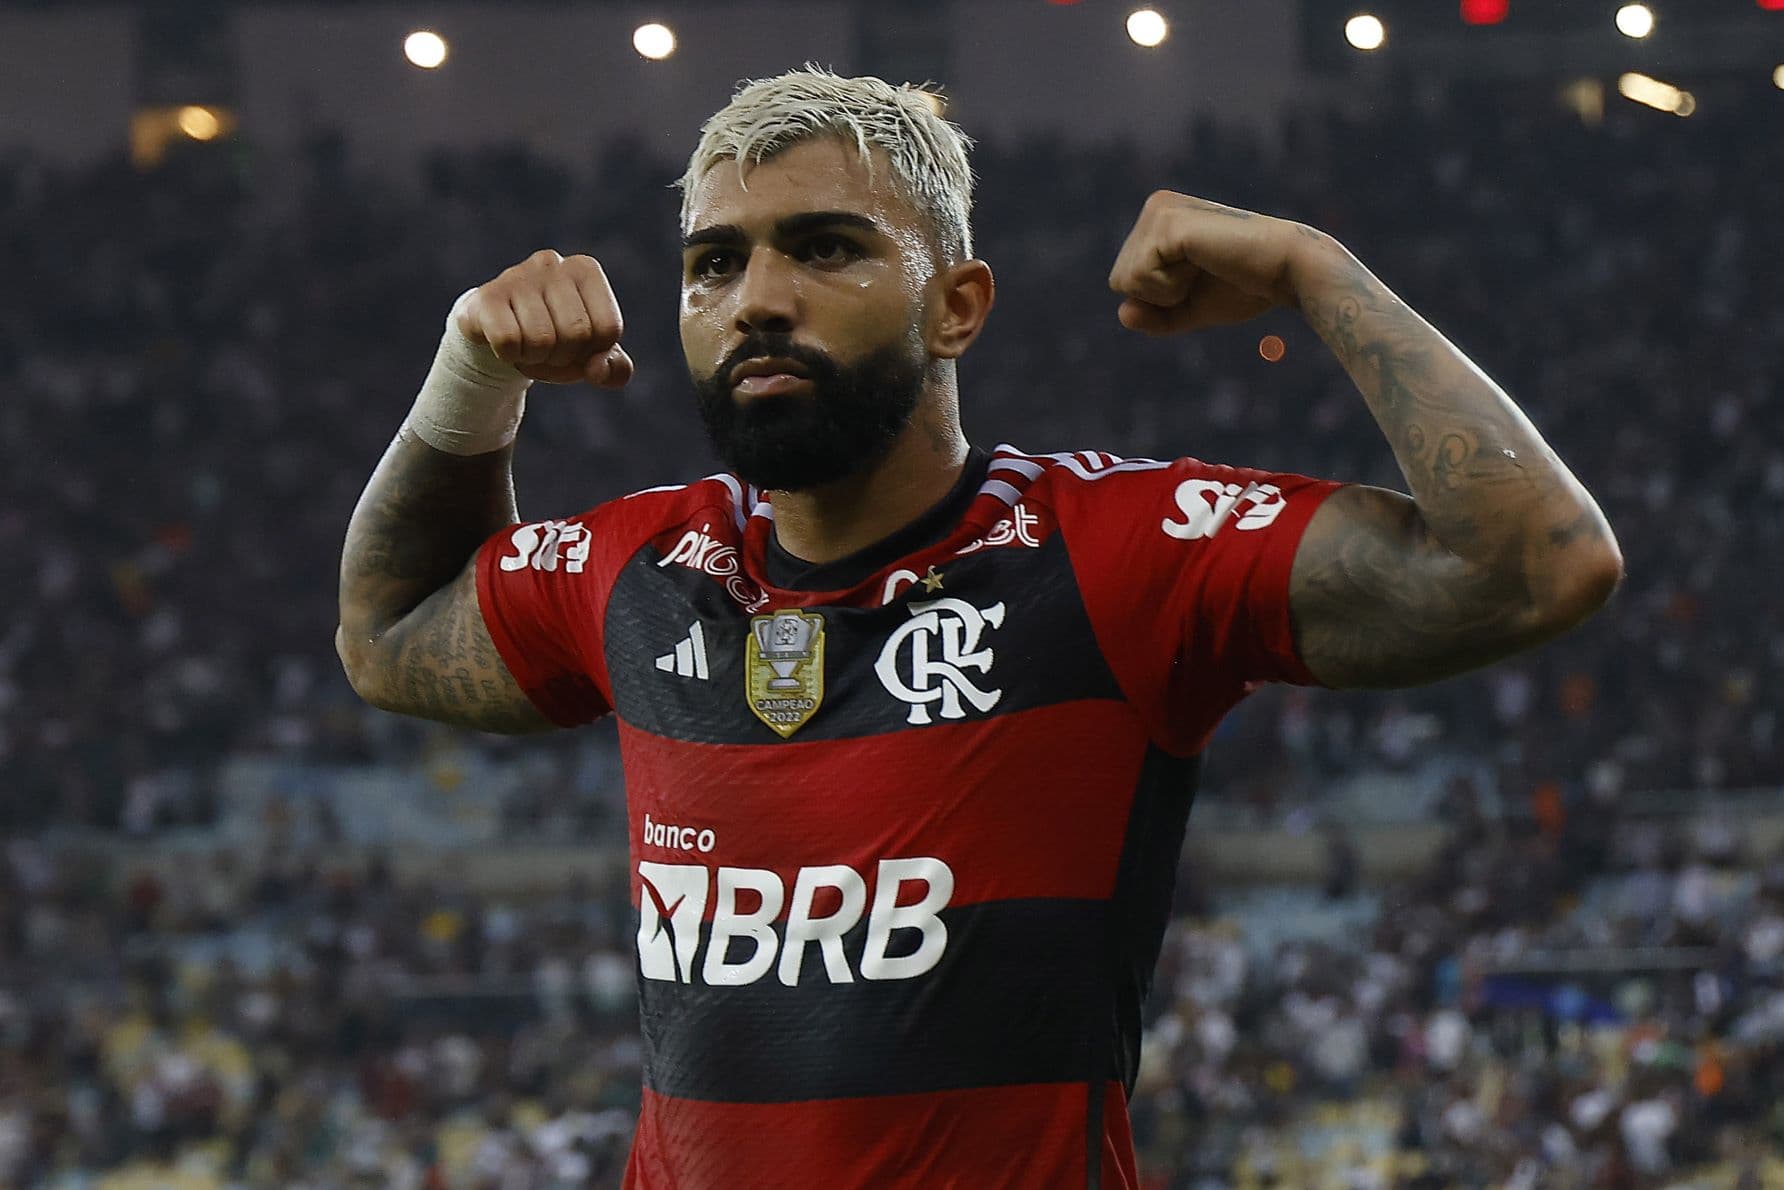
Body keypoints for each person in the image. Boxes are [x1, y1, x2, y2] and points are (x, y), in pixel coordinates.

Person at [336, 67, 1621, 1189]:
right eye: (715, 262)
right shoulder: (638, 565)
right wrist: (471, 376)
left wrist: (1313, 269)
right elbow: (386, 631)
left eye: (826, 247)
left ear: (957, 304)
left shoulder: (1113, 550)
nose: (756, 299)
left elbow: (1532, 563)